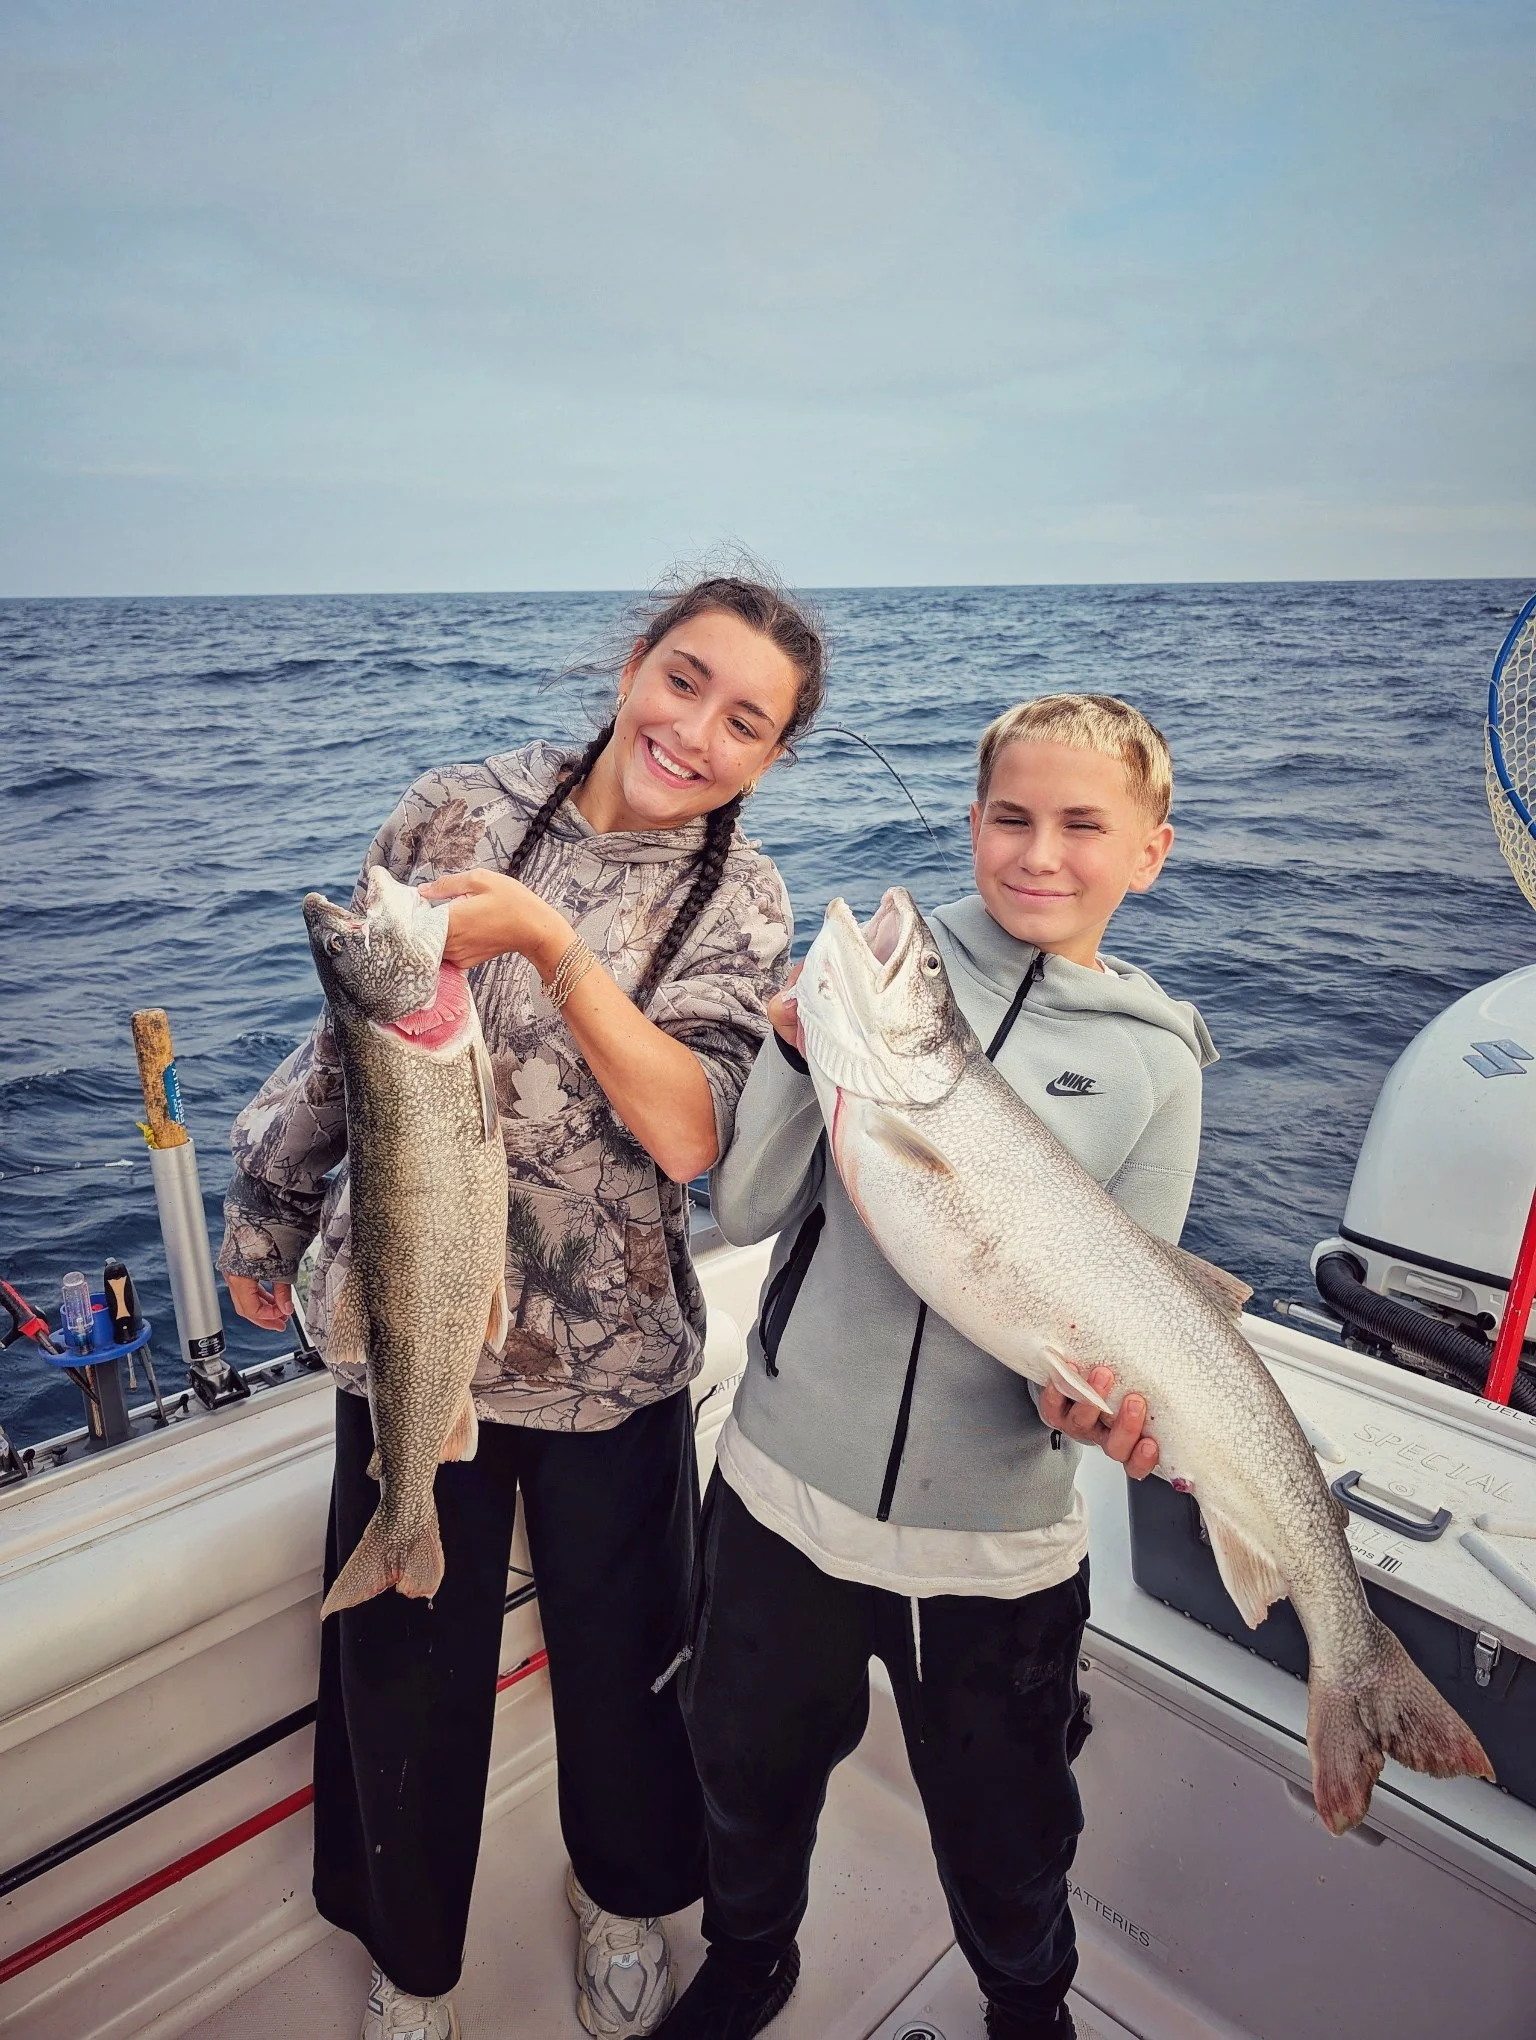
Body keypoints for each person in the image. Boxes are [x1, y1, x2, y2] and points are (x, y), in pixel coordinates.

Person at [217, 573, 826, 2040]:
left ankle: (623, 1902)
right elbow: (348, 1036)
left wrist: (556, 949)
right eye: (683, 680)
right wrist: (269, 1204)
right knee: (402, 1687)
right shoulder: (452, 810)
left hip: (609, 1360)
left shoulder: (741, 897)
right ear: (633, 663)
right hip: (408, 1327)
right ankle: (414, 1968)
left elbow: (695, 1135)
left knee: (628, 1676)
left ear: (773, 754)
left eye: (746, 720)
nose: (696, 729)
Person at [658, 693, 1217, 2040]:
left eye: (1084, 826)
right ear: (971, 824)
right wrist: (797, 1053)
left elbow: (1119, 1321)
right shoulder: (880, 971)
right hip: (783, 1491)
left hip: (993, 1555)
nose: (1039, 853)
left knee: (1010, 1835)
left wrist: (1099, 1410)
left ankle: (1028, 2009)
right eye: (1011, 819)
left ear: (1150, 850)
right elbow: (745, 1210)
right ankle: (751, 1962)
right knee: (743, 1773)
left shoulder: (1158, 1064)